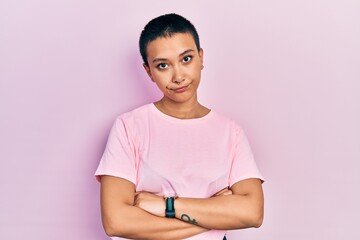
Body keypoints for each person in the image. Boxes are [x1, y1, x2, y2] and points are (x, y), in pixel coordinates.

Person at [95, 13, 265, 240]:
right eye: (163, 65)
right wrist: (216, 214)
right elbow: (116, 222)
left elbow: (252, 213)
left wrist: (166, 206)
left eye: (186, 59)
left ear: (201, 57)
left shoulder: (230, 132)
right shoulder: (128, 127)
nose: (178, 76)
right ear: (149, 72)